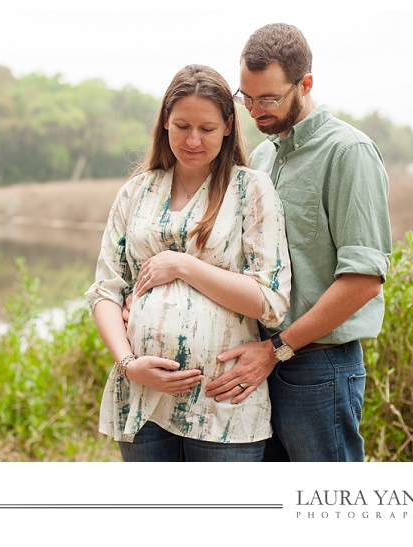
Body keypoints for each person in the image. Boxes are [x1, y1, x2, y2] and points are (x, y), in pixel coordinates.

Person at [202, 23, 393, 462]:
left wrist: (277, 349)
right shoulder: (264, 156)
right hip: (257, 363)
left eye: (268, 98)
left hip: (319, 369)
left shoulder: (348, 153)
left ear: (305, 84)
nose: (254, 111)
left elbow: (364, 280)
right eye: (245, 97)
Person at [85, 64, 291, 462]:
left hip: (224, 406)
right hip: (144, 400)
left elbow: (271, 301)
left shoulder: (251, 190)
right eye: (181, 125)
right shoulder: (137, 192)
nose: (193, 139)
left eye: (207, 128)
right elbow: (105, 291)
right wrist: (129, 365)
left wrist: (184, 266)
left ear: (229, 126)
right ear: (165, 121)